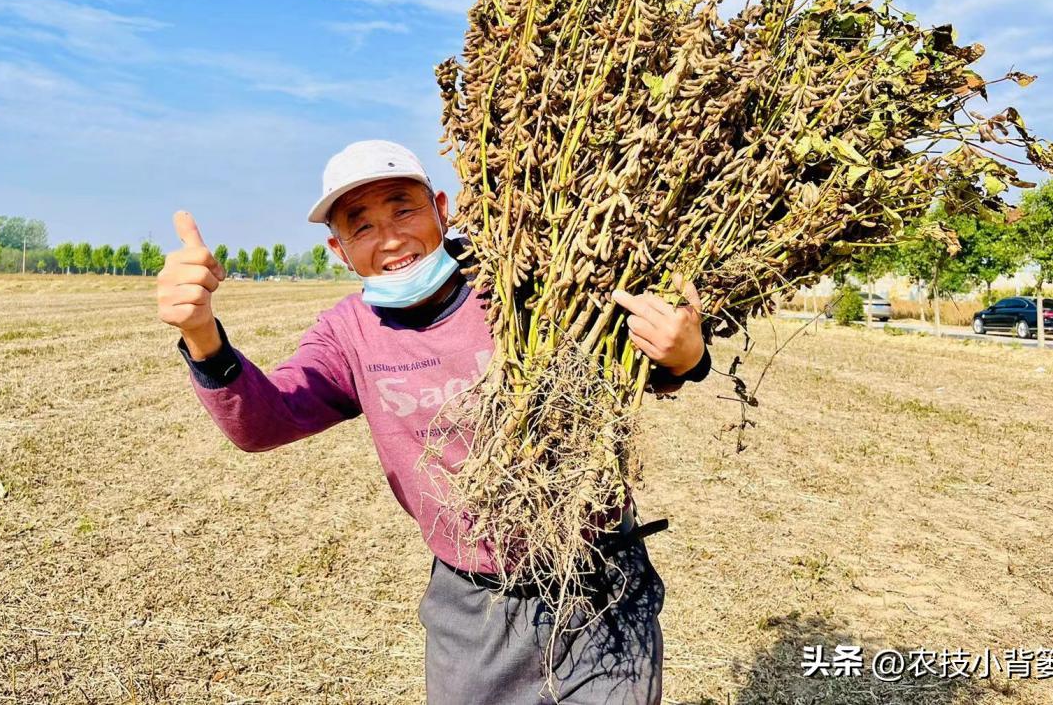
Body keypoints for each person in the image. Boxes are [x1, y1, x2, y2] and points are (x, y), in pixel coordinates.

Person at [157, 140, 711, 704]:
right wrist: (203, 337)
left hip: (602, 582)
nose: (391, 237)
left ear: (442, 208)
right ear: (339, 249)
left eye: (404, 208)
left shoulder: (533, 275)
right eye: (362, 226)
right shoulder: (349, 334)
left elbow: (638, 355)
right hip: (475, 606)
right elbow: (263, 422)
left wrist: (688, 357)